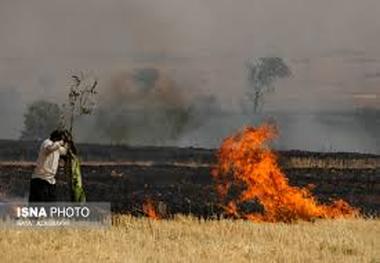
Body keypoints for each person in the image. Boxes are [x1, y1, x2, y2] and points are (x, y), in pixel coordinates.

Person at [28, 130, 68, 202]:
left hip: (50, 181)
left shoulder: (57, 147)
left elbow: (64, 151)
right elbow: (50, 148)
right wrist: (60, 142)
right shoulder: (47, 143)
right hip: (40, 180)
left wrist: (67, 142)